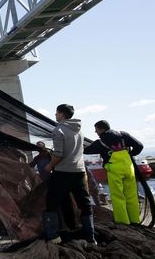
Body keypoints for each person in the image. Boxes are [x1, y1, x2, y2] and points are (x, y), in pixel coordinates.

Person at [43, 104, 95, 245]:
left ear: (62, 114)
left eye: (56, 113)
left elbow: (58, 154)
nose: (55, 115)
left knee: (51, 203)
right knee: (84, 204)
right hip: (79, 172)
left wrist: (49, 165)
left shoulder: (59, 130)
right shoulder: (79, 131)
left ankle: (53, 236)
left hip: (63, 173)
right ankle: (90, 237)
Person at [83, 120, 144, 225]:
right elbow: (140, 146)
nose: (95, 132)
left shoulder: (100, 142)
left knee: (118, 196)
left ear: (101, 129)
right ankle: (135, 220)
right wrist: (130, 154)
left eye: (96, 129)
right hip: (128, 168)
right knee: (132, 196)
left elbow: (86, 150)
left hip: (114, 170)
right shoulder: (123, 135)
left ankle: (123, 221)